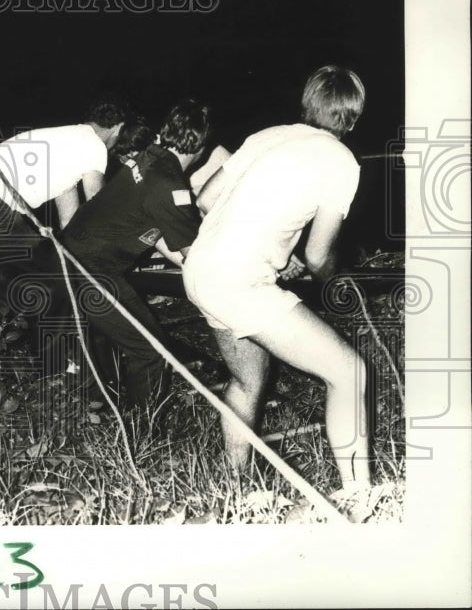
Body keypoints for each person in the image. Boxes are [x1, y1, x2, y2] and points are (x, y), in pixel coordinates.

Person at [182, 65, 370, 493]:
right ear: (354, 116)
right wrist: (333, 280)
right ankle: (360, 495)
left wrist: (272, 254)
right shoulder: (342, 161)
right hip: (237, 283)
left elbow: (207, 199)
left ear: (307, 103)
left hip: (201, 270)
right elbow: (319, 255)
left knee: (248, 381)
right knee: (350, 372)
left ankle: (237, 490)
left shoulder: (266, 136)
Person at [62, 100, 211, 410]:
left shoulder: (149, 157)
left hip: (74, 258)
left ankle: (113, 405)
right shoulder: (171, 187)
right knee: (151, 351)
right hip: (90, 270)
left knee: (131, 340)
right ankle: (145, 430)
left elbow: (166, 240)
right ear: (201, 148)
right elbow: (194, 257)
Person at [0, 97, 128, 313]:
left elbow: (69, 221)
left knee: (13, 273)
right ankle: (62, 338)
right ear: (118, 128)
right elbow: (97, 202)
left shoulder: (67, 141)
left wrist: (77, 246)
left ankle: (7, 330)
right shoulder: (94, 145)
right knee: (55, 277)